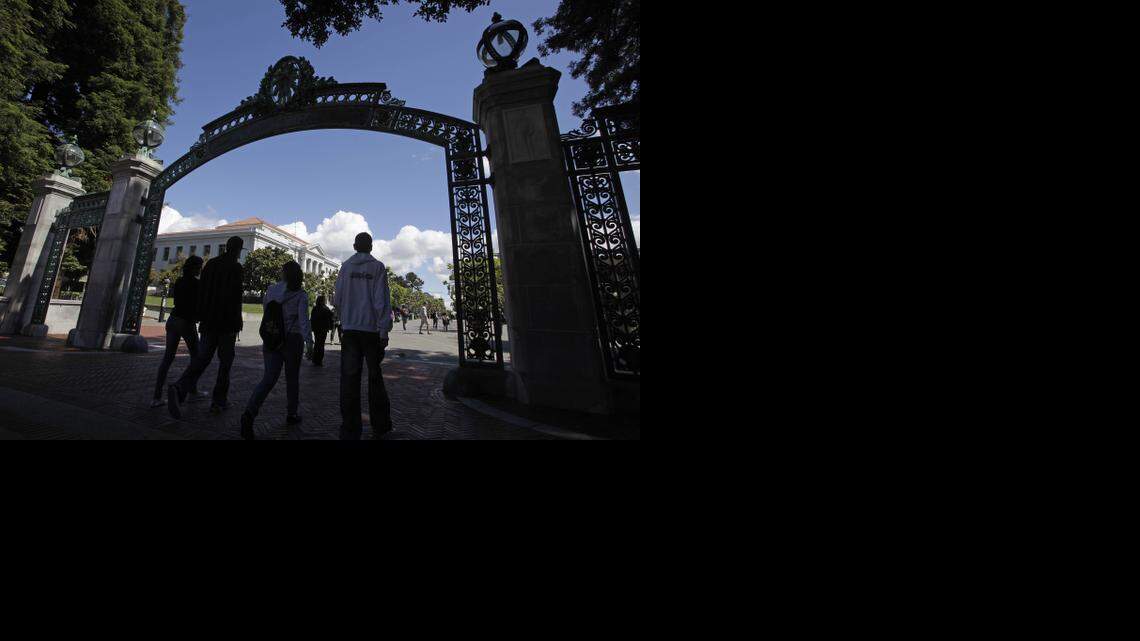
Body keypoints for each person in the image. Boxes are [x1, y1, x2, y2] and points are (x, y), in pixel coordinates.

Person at [168, 236, 244, 419]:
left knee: (202, 359)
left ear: (226, 247)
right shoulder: (236, 268)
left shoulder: (210, 265)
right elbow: (235, 298)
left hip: (209, 321)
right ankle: (218, 402)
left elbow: (202, 293)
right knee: (225, 364)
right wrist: (238, 320)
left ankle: (179, 388)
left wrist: (202, 315)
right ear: (239, 249)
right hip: (226, 323)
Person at [239, 261, 312, 439]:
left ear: (283, 273)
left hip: (272, 337)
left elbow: (267, 311)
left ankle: (249, 412)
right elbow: (303, 320)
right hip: (292, 340)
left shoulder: (271, 290)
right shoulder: (301, 294)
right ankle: (292, 413)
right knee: (292, 379)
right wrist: (309, 342)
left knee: (268, 379)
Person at [334, 232, 393, 440]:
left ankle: (350, 428)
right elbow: (381, 301)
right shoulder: (377, 267)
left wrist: (343, 320)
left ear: (354, 245)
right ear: (371, 246)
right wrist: (384, 330)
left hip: (350, 331)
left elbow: (337, 298)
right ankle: (381, 425)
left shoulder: (346, 267)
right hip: (371, 332)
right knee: (375, 378)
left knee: (349, 379)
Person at [151, 256, 203, 407]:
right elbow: (196, 304)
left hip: (173, 319)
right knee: (197, 356)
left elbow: (177, 301)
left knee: (168, 358)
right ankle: (187, 387)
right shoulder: (196, 284)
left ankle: (156, 396)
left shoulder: (180, 281)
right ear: (195, 267)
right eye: (199, 266)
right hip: (186, 322)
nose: (200, 269)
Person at [310, 295, 333, 367]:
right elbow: (331, 316)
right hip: (323, 329)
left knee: (317, 343)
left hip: (317, 329)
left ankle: (315, 359)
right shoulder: (325, 309)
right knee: (321, 344)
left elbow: (312, 319)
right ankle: (319, 360)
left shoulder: (315, 308)